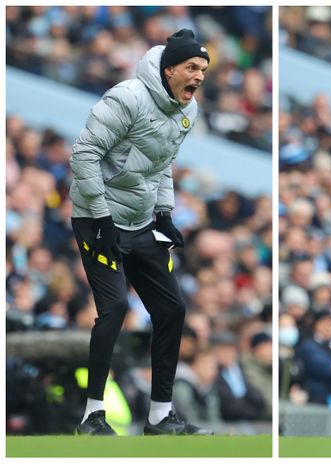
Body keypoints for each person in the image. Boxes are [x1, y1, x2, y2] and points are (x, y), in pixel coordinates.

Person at [70, 29, 212, 435]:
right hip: (97, 221)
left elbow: (161, 162)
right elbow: (84, 154)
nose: (199, 76)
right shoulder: (127, 97)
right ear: (168, 70)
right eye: (191, 67)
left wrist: (164, 213)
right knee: (114, 310)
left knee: (172, 309)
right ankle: (91, 415)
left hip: (139, 221)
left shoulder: (189, 109)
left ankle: (159, 415)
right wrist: (100, 220)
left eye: (203, 69)